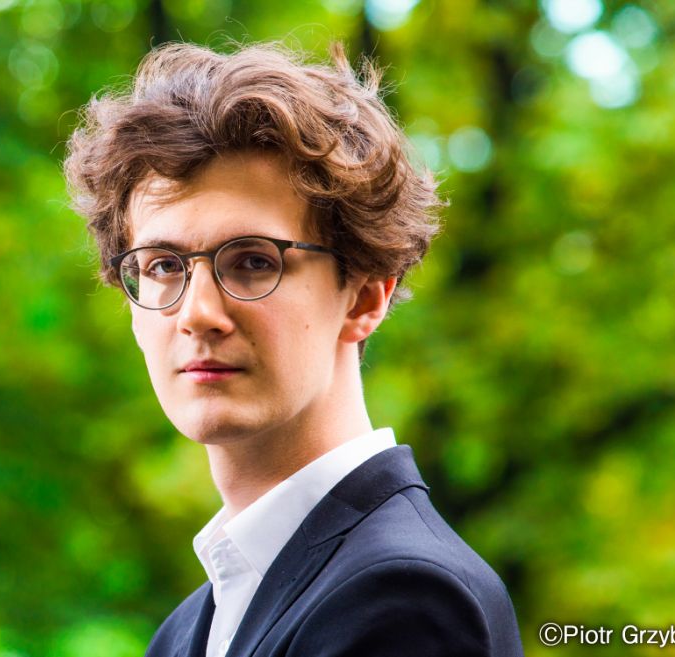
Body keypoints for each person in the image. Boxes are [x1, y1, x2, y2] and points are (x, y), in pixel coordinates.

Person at [64, 41, 524, 657]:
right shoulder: (186, 632)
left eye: (254, 261)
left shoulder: (405, 599)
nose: (197, 313)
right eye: (163, 266)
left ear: (364, 298)